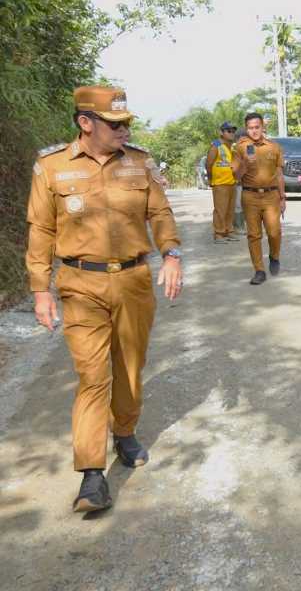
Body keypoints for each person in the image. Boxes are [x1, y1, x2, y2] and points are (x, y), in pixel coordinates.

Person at [26, 85, 183, 513]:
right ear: (85, 122)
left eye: (126, 122)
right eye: (115, 124)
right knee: (93, 375)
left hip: (133, 280)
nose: (123, 129)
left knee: (129, 366)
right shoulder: (52, 167)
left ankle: (126, 432)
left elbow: (160, 213)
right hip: (80, 284)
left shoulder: (138, 162)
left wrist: (171, 253)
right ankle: (92, 474)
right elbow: (40, 230)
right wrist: (41, 289)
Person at [232, 112, 285, 285]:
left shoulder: (274, 147)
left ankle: (274, 256)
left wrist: (283, 198)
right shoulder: (240, 148)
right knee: (253, 235)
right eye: (250, 128)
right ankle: (259, 270)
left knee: (274, 232)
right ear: (246, 129)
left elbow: (279, 174)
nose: (254, 131)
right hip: (250, 196)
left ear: (263, 127)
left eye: (257, 127)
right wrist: (245, 164)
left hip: (271, 196)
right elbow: (236, 176)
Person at [205, 121, 240, 243]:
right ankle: (219, 234)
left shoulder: (231, 146)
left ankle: (229, 231)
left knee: (230, 210)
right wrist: (210, 179)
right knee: (220, 210)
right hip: (220, 183)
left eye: (233, 131)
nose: (231, 133)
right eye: (228, 131)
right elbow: (209, 163)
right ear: (221, 132)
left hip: (231, 182)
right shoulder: (216, 145)